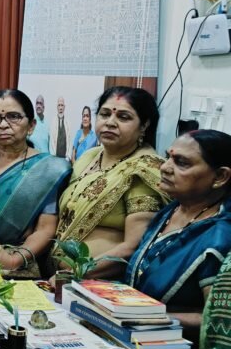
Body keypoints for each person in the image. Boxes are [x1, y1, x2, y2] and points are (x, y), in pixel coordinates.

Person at [53, 86, 169, 277]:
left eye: (123, 117)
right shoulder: (89, 157)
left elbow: (135, 247)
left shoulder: (143, 170)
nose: (110, 123)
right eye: (105, 114)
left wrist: (76, 273)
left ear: (144, 125)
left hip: (102, 282)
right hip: (59, 277)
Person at [126, 130, 231, 330]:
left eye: (181, 163)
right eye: (168, 157)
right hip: (135, 331)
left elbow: (219, 321)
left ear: (220, 176)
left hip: (175, 344)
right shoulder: (172, 210)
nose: (164, 167)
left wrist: (150, 317)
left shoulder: (221, 237)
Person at [0, 89, 71, 278]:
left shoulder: (48, 169)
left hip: (20, 264)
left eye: (13, 117)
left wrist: (14, 259)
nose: (3, 125)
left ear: (31, 125)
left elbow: (45, 228)